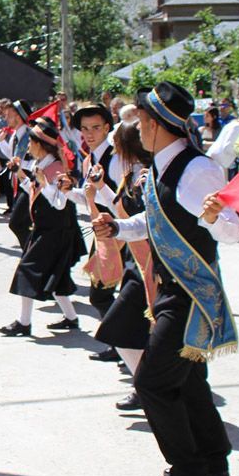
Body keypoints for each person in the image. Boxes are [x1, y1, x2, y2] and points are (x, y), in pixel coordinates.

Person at [91, 82, 239, 476]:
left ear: (154, 123)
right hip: (170, 288)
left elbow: (232, 231)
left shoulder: (197, 170)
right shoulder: (160, 165)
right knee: (187, 376)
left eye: (139, 118)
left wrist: (214, 217)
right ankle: (214, 455)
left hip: (192, 292)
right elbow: (154, 222)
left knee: (153, 382)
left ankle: (188, 470)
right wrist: (118, 228)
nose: (135, 127)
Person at [80, 121, 154, 409]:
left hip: (150, 263)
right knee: (125, 329)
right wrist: (101, 190)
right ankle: (145, 386)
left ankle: (148, 387)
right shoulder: (131, 174)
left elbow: (142, 219)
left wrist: (116, 226)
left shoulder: (145, 176)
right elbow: (121, 209)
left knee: (120, 326)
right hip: (137, 259)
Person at [0, 117, 86, 336]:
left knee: (27, 270)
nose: (28, 146)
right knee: (57, 277)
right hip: (45, 229)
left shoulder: (55, 168)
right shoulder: (42, 164)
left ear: (40, 144)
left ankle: (24, 322)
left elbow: (60, 202)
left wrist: (44, 183)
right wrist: (21, 174)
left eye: (31, 142)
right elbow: (34, 191)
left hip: (55, 230)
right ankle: (71, 318)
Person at [72, 103, 119, 317]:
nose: (89, 134)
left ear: (107, 127)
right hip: (101, 233)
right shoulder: (89, 160)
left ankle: (122, 345)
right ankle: (119, 345)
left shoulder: (116, 158)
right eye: (85, 128)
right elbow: (87, 197)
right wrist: (65, 191)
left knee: (102, 294)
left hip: (119, 233)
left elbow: (124, 203)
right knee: (101, 293)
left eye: (95, 127)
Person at [0, 101, 33, 247]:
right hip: (19, 176)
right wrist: (1, 142)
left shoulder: (28, 134)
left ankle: (31, 251)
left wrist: (18, 166)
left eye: (9, 115)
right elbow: (13, 156)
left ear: (18, 116)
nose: (6, 118)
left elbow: (26, 160)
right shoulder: (16, 135)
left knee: (17, 222)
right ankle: (30, 250)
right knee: (22, 221)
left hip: (28, 177)